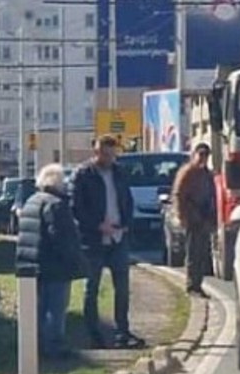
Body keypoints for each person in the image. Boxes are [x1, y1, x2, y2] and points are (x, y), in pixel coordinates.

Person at [72, 135, 144, 350]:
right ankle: (94, 334)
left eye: (112, 155)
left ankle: (122, 331)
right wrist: (96, 225)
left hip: (118, 238)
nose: (108, 158)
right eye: (103, 154)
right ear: (95, 152)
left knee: (122, 287)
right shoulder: (83, 174)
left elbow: (127, 200)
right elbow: (76, 208)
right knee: (91, 288)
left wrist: (126, 223)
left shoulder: (119, 173)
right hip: (93, 240)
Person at [15, 164, 87, 359]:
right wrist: (75, 260)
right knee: (55, 308)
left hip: (31, 263)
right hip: (54, 264)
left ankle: (35, 346)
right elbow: (61, 236)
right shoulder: (56, 204)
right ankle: (54, 347)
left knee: (38, 308)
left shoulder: (31, 201)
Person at [172, 142, 216, 297]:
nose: (203, 158)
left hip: (204, 218)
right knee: (192, 252)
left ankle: (198, 284)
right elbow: (178, 194)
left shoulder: (207, 174)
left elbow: (212, 195)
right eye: (201, 155)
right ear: (194, 155)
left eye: (206, 155)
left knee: (202, 253)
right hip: (192, 217)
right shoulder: (187, 172)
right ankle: (191, 286)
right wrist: (181, 215)